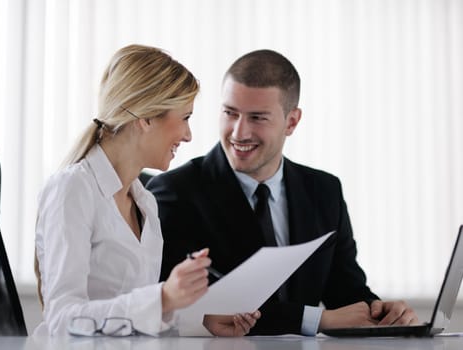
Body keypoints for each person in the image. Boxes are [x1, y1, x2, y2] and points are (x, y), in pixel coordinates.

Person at [147, 49, 419, 335]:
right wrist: (317, 320)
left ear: (291, 121)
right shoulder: (176, 191)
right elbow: (191, 306)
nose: (239, 132)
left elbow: (346, 293)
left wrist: (382, 313)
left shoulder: (324, 191)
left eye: (257, 118)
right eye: (230, 113)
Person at [33, 44, 260, 337]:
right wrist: (163, 297)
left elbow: (135, 317)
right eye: (185, 118)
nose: (188, 135)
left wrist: (202, 320)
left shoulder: (145, 203)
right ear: (147, 118)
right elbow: (62, 320)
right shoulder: (73, 189)